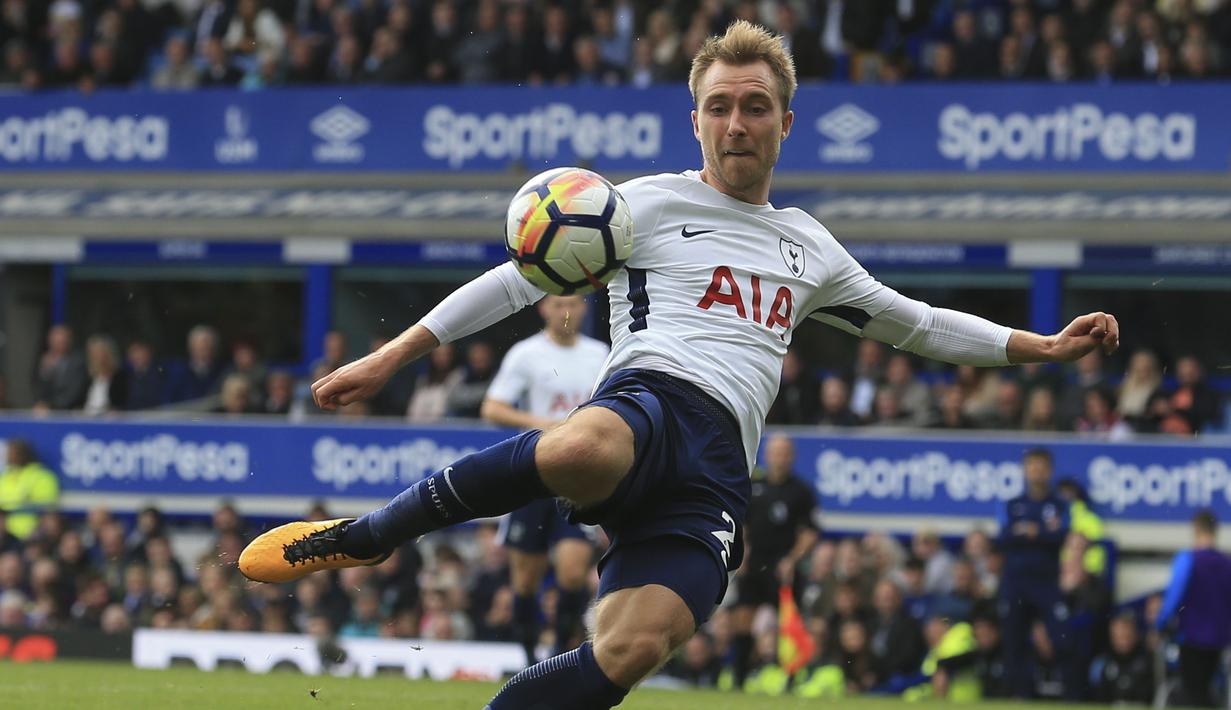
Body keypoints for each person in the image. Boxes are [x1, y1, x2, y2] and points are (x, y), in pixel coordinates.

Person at [238, 21, 1121, 709]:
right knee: (584, 449)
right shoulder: (636, 208)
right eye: (720, 106)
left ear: (784, 120)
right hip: (648, 400)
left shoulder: (810, 248)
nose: (736, 123)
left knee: (627, 652)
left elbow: (915, 323)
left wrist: (1038, 346)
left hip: (716, 473)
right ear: (694, 118)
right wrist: (393, 355)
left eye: (755, 106)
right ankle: (368, 536)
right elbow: (514, 282)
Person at [479, 294, 609, 665]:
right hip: (533, 473)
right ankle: (526, 656)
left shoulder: (601, 354)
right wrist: (543, 425)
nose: (566, 311)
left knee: (572, 574)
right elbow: (492, 407)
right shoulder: (526, 353)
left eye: (573, 303)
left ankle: (554, 656)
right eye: (557, 304)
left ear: (584, 308)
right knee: (525, 581)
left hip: (580, 476)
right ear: (543, 309)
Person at [730, 434, 819, 686]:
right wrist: (742, 551)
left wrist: (792, 559)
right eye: (775, 452)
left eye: (784, 453)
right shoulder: (754, 485)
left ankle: (790, 679)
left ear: (791, 457)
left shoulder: (801, 491)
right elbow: (742, 524)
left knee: (788, 625)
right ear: (767, 455)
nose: (779, 458)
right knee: (742, 619)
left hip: (783, 567)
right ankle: (739, 678)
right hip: (755, 561)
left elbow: (810, 532)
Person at [998, 448, 1071, 699]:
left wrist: (1032, 532)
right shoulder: (1012, 504)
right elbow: (1004, 537)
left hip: (1047, 583)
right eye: (1032, 466)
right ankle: (1019, 697)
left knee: (1061, 638)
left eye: (1041, 466)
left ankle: (1066, 696)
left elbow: (1061, 536)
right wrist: (1042, 533)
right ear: (1025, 470)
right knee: (1014, 642)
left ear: (1049, 470)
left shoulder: (1059, 505)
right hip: (1016, 582)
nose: (1037, 471)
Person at [1156, 510, 1231, 708]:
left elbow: (1174, 596)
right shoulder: (1227, 563)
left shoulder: (1189, 559)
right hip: (1219, 639)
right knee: (1207, 689)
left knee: (1192, 692)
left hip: (1192, 636)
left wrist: (1160, 624)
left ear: (1196, 530)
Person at [0, 440, 60, 540]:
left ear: (23, 454)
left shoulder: (42, 476)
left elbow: (46, 508)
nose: (7, 456)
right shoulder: (5, 477)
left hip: (33, 535)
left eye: (11, 452)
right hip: (4, 534)